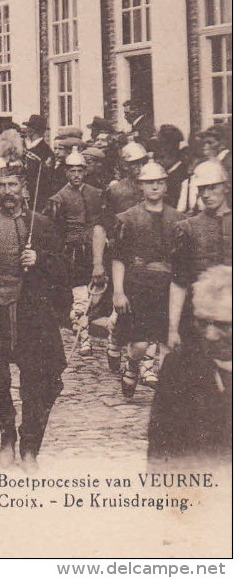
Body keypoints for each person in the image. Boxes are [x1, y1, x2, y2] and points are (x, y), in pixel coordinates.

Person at [0, 154, 68, 471]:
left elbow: (64, 272)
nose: (8, 191)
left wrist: (41, 259)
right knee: (0, 380)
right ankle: (7, 436)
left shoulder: (44, 225)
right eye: (2, 185)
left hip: (33, 313)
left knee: (40, 381)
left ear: (24, 187)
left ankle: (30, 445)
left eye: (14, 184)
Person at [109, 162, 184, 397]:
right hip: (138, 285)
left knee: (166, 343)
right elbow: (119, 258)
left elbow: (182, 263)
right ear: (141, 186)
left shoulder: (178, 219)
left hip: (167, 287)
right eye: (149, 182)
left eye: (159, 182)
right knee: (139, 345)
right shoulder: (128, 218)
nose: (154, 187)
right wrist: (119, 291)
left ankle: (163, 393)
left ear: (165, 185)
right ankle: (132, 365)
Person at [147, 264, 231, 468]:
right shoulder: (178, 368)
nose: (210, 335)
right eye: (203, 322)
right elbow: (160, 452)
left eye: (223, 325)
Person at [92, 141, 147, 371]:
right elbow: (101, 227)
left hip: (147, 256)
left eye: (142, 162)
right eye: (133, 164)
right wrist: (97, 262)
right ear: (124, 166)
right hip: (121, 256)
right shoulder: (115, 191)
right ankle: (114, 339)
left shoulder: (152, 187)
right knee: (122, 307)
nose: (138, 167)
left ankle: (144, 363)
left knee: (147, 309)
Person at [168, 160, 232, 354]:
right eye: (202, 189)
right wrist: (172, 329)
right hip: (198, 317)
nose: (206, 195)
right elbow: (179, 282)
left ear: (226, 187)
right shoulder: (188, 228)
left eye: (212, 188)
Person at [47, 148, 103, 354]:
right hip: (74, 252)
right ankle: (84, 337)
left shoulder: (96, 194)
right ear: (66, 173)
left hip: (97, 250)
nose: (76, 175)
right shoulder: (58, 199)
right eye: (72, 171)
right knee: (80, 296)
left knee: (96, 295)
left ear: (86, 172)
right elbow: (54, 230)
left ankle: (79, 323)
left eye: (80, 171)